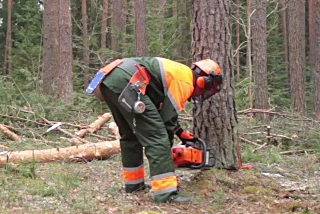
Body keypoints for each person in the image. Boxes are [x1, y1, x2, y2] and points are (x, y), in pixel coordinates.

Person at [85, 57, 223, 204]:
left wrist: (180, 132)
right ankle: (166, 193)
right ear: (204, 82)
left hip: (110, 80)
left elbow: (162, 112)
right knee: (158, 138)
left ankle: (134, 185)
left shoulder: (180, 73)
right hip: (127, 82)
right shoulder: (185, 82)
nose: (202, 94)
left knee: (130, 135)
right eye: (207, 90)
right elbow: (165, 123)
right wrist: (166, 155)